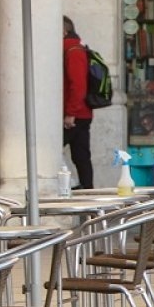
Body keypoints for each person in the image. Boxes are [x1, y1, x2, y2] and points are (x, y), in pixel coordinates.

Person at [63, 16, 93, 188]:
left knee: (48, 151)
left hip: (73, 114)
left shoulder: (72, 50)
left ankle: (75, 185)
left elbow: (78, 84)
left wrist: (71, 113)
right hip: (80, 112)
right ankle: (87, 190)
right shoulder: (77, 48)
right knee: (81, 157)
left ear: (63, 31)